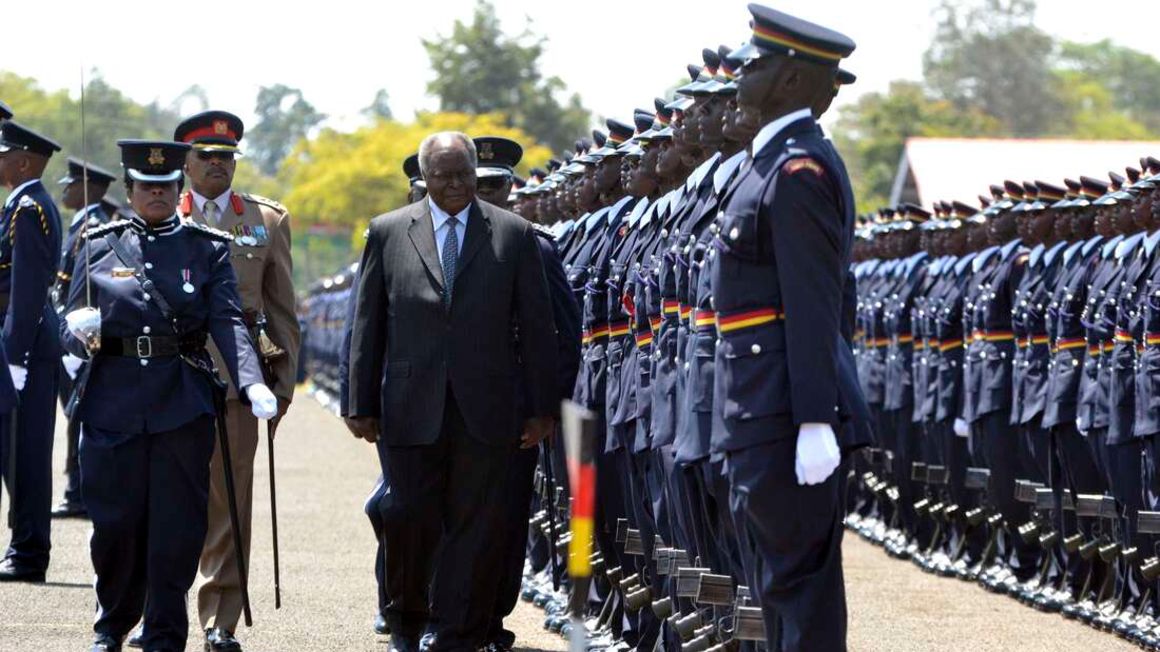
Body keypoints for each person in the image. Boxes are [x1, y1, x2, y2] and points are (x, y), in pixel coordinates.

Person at [60, 139, 278, 652]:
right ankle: (112, 622)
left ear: (177, 189)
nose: (155, 195)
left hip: (180, 402)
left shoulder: (206, 247)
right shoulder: (98, 243)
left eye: (164, 187)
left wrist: (251, 380)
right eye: (145, 187)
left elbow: (226, 319)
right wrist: (75, 329)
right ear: (131, 191)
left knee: (176, 526)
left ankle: (164, 630)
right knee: (114, 525)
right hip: (112, 400)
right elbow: (66, 325)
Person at [346, 132, 557, 652]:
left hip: (487, 410)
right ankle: (405, 619)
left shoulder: (514, 234)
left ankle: (456, 633)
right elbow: (368, 323)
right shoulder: (389, 232)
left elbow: (537, 327)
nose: (456, 184)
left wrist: (541, 408)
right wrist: (359, 402)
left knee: (473, 525)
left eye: (464, 173)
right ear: (424, 177)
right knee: (408, 518)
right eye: (444, 175)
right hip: (409, 407)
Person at [710, 5, 866, 650]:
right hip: (758, 405)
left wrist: (814, 418)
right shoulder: (767, 163)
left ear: (793, 83)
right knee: (772, 576)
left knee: (797, 581)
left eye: (757, 64)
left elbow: (815, 303)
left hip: (781, 410)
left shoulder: (799, 171)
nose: (744, 74)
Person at [171, 109, 300, 652]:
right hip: (169, 379)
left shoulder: (265, 221)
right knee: (168, 498)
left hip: (239, 382)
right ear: (185, 163)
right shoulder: (158, 213)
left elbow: (282, 309)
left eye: (227, 158)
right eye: (207, 158)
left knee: (230, 501)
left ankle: (219, 617)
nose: (218, 167)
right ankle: (158, 609)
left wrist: (284, 385)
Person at [471, 135, 582, 652]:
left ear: (511, 189)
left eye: (496, 185)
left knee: (506, 516)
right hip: (447, 402)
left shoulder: (536, 245)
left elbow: (563, 332)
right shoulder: (431, 238)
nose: (487, 194)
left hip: (512, 407)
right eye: (479, 184)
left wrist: (546, 407)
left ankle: (491, 618)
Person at [0, 121, 63, 583]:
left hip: (26, 344)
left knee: (25, 452)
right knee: (15, 450)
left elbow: (26, 292)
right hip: (22, 341)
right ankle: (22, 545)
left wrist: (15, 357)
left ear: (22, 162)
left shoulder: (28, 208)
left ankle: (28, 553)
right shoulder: (22, 205)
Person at [53, 156, 118, 519]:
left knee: (80, 414)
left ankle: (81, 490)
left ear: (90, 188)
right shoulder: (80, 225)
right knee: (74, 414)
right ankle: (77, 488)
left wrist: (79, 343)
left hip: (81, 340)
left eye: (71, 184)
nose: (65, 189)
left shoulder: (93, 227)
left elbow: (88, 292)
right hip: (68, 335)